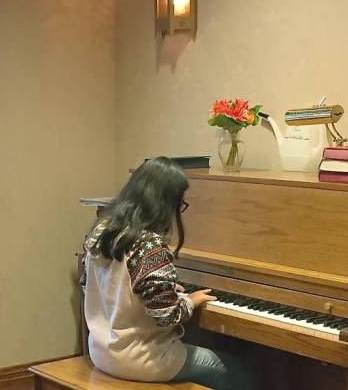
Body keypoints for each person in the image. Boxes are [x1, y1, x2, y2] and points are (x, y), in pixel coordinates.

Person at [80, 157, 253, 390]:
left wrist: (157, 290)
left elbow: (89, 284)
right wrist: (189, 300)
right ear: (164, 202)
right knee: (239, 372)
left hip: (101, 350)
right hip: (141, 359)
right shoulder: (149, 244)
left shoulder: (102, 230)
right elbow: (167, 315)